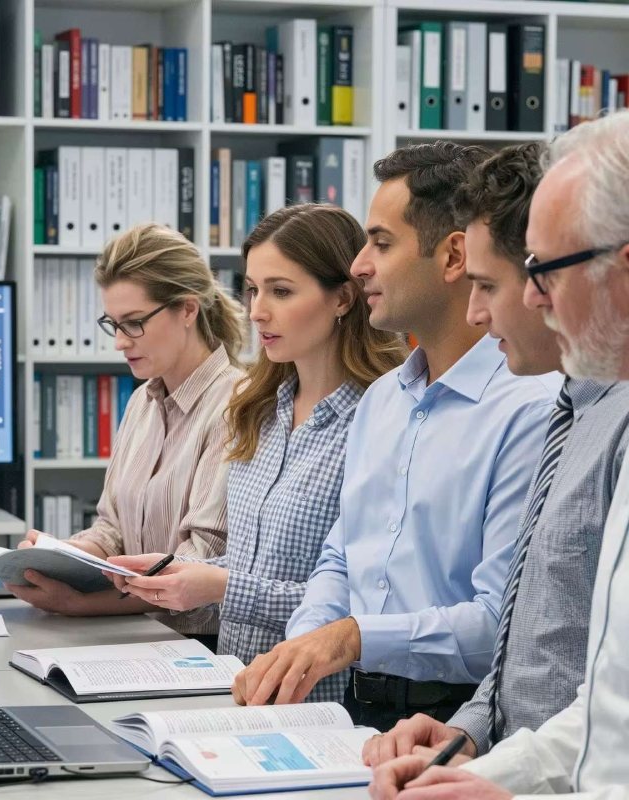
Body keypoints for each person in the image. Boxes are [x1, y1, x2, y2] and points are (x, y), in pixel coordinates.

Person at [230, 141, 560, 729]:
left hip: (455, 720)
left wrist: (353, 637)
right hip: (350, 708)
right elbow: (342, 555)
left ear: (454, 255)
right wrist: (301, 650)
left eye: (381, 243)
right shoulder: (383, 400)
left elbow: (501, 624)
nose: (359, 265)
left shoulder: (526, 410)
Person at [369, 110, 629, 800]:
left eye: (545, 272)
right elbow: (597, 702)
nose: (532, 300)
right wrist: (474, 745)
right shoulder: (577, 402)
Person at [108, 204, 407, 702]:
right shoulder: (257, 410)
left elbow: (369, 605)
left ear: (342, 298)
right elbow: (254, 557)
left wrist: (220, 586)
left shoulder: (377, 421)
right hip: (236, 691)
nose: (257, 311)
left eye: (281, 291)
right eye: (252, 289)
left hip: (323, 706)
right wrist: (180, 572)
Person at [7, 223, 246, 648]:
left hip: (193, 646)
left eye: (133, 323)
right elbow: (112, 528)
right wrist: (60, 555)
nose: (119, 342)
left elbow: (200, 564)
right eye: (112, 323)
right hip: (130, 633)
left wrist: (83, 604)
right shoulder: (142, 403)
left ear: (188, 310)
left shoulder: (235, 406)